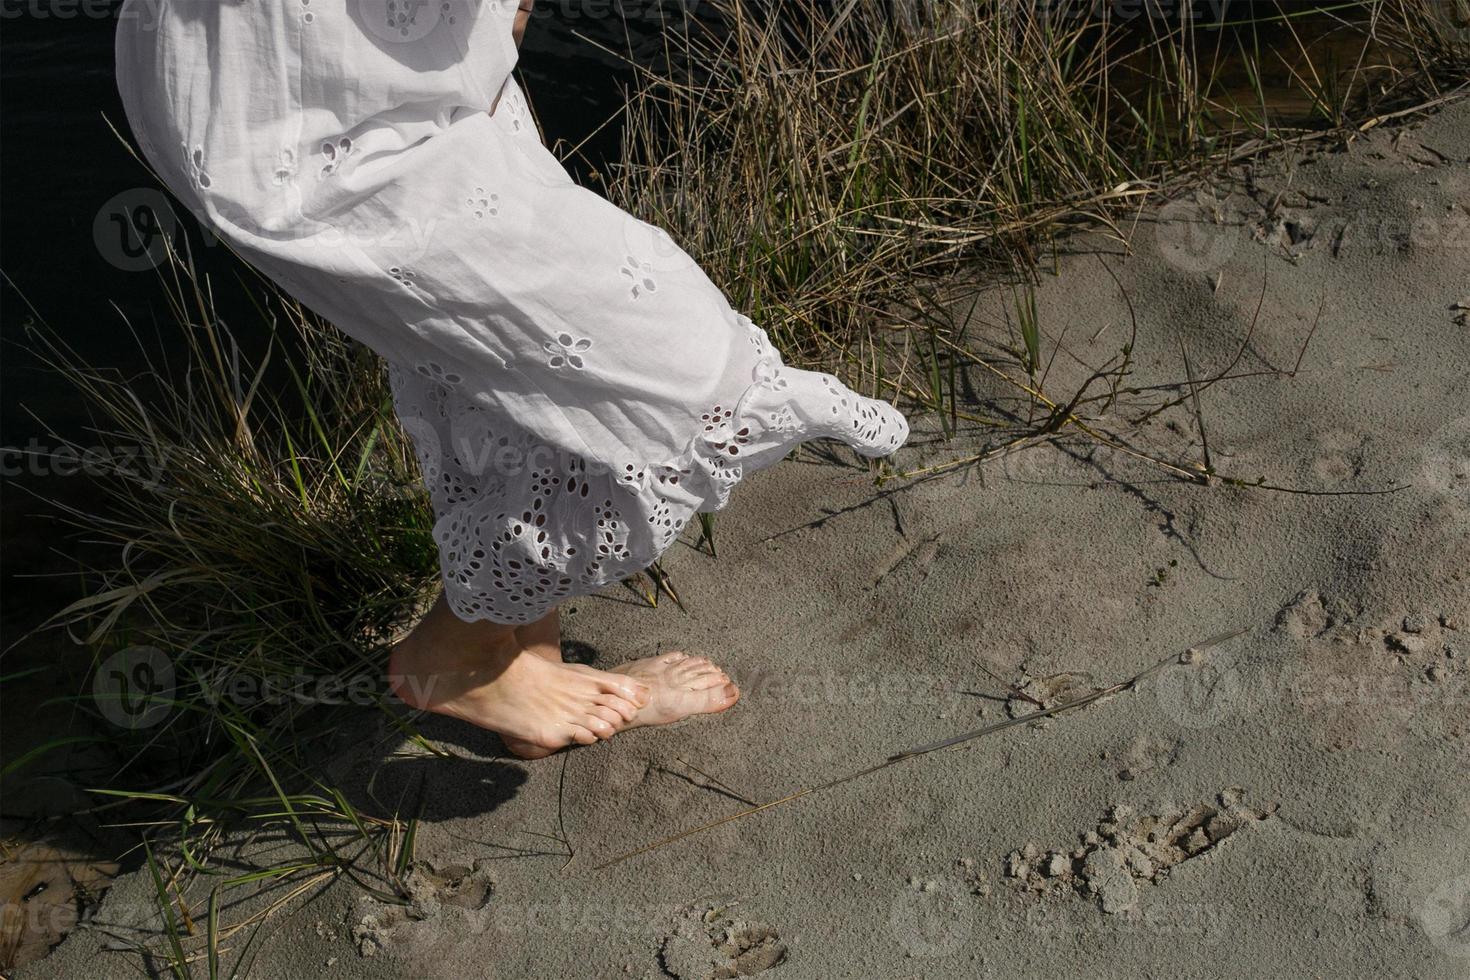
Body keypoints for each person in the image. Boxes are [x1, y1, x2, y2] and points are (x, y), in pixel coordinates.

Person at [114, 0, 907, 758]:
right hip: (300, 100)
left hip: (430, 62)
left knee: (509, 368)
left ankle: (525, 656)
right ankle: (458, 655)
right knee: (686, 384)